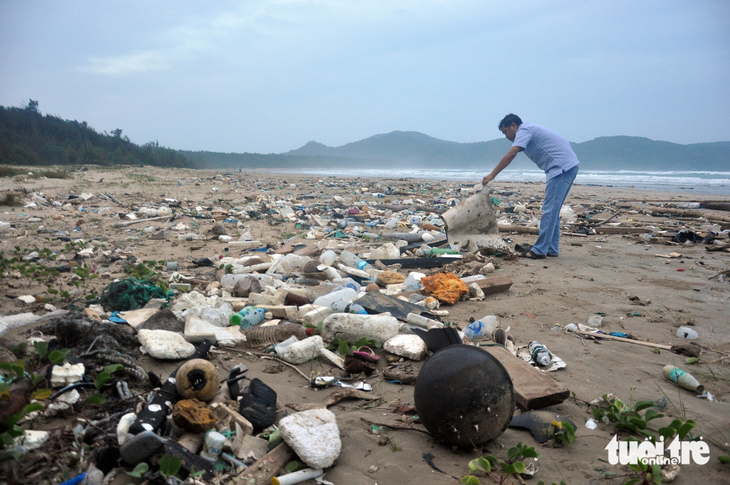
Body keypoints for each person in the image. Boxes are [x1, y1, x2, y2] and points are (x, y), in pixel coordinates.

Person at [483, 114, 579, 259]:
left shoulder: (524, 130)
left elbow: (511, 154)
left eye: (505, 132)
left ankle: (539, 250)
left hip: (561, 169)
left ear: (514, 125)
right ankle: (551, 248)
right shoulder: (530, 129)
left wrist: (492, 175)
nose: (506, 136)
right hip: (566, 166)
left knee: (549, 209)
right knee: (553, 210)